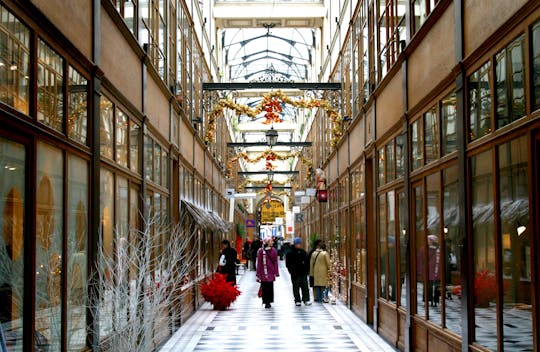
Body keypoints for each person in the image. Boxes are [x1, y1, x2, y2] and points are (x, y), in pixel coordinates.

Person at [286, 237, 311, 306]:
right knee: (296, 287)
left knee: (305, 287)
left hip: (303, 273)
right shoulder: (290, 252)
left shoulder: (303, 252)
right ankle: (297, 300)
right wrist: (291, 271)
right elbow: (288, 264)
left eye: (300, 244)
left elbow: (307, 262)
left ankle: (306, 299)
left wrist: (307, 270)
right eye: (297, 244)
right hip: (295, 273)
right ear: (294, 244)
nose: (299, 245)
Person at [256, 237, 279, 309]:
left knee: (270, 287)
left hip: (271, 272)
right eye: (271, 241)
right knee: (264, 287)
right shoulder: (260, 251)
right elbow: (259, 262)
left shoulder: (273, 250)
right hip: (263, 272)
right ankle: (265, 301)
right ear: (267, 242)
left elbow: (275, 262)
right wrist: (258, 273)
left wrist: (276, 272)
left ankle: (269, 301)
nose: (272, 242)